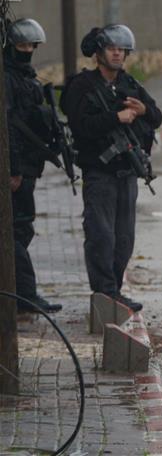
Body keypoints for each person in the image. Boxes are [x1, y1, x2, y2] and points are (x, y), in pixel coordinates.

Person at [60, 25, 162, 312]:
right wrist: (116, 117)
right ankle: (104, 293)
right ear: (99, 53)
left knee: (124, 239)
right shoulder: (82, 86)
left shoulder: (129, 84)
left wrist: (143, 111)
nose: (117, 53)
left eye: (122, 49)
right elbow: (82, 126)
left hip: (127, 173)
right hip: (99, 172)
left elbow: (156, 116)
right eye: (112, 48)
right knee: (101, 235)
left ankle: (114, 289)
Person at [3, 18, 62, 313]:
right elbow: (8, 127)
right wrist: (13, 168)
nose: (27, 51)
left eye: (31, 46)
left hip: (29, 165)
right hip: (19, 168)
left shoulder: (26, 77)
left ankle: (19, 294)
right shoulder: (8, 79)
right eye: (22, 46)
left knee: (22, 230)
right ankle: (25, 296)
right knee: (17, 229)